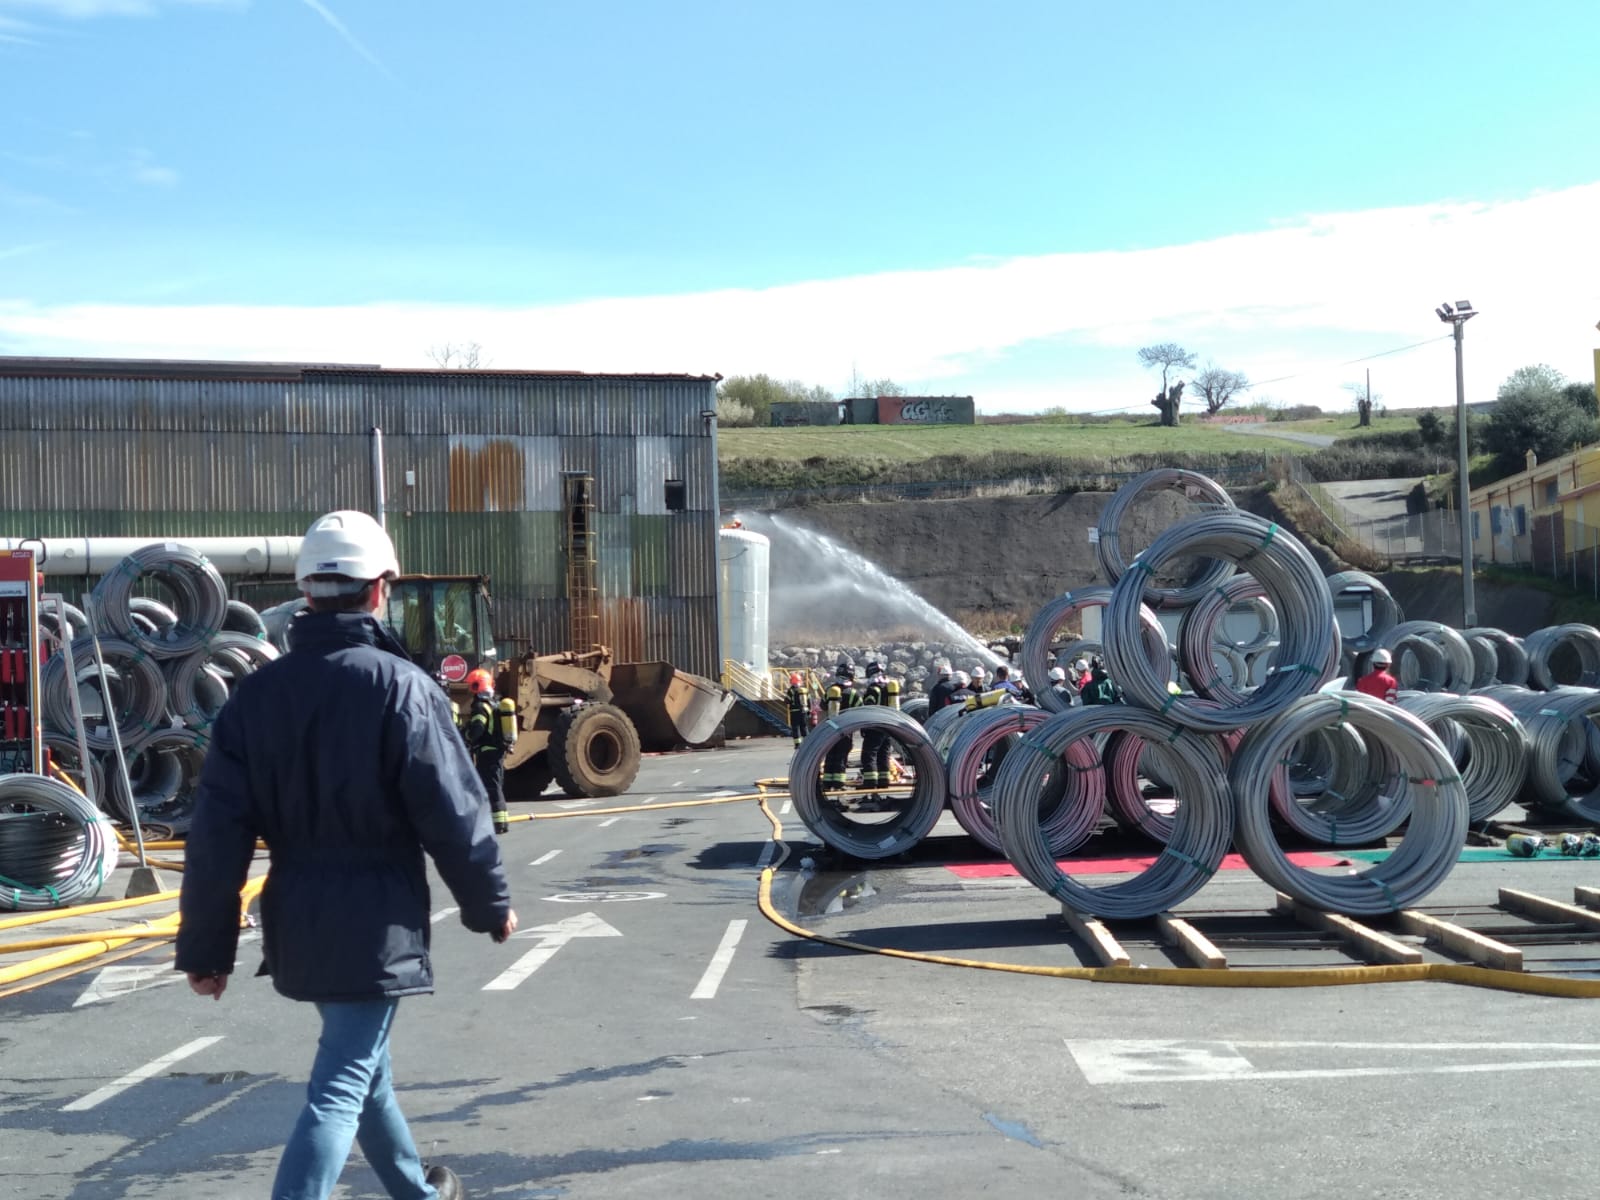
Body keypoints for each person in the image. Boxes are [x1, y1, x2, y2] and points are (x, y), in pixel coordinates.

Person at [176, 510, 515, 1200]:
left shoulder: (255, 698)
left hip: (299, 920)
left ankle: (420, 1193)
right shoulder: (403, 689)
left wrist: (207, 948)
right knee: (339, 1087)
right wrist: (490, 904)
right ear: (380, 588)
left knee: (366, 1072)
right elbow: (454, 812)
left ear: (306, 593)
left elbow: (217, 836)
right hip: (377, 923)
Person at [463, 667, 516, 835]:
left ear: (476, 686)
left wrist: (467, 736)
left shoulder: (480, 707)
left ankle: (499, 824)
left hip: (488, 752)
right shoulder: (494, 703)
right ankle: (498, 822)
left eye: (472, 686)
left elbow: (478, 729)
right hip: (496, 751)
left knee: (491, 787)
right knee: (492, 785)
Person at [858, 660, 901, 797]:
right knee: (884, 755)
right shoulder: (888, 687)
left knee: (869, 755)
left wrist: (864, 727)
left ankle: (870, 785)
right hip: (888, 726)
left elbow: (868, 709)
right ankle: (884, 782)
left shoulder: (873, 689)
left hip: (875, 726)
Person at [820, 661, 862, 790]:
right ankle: (838, 784)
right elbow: (860, 710)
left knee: (830, 755)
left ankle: (827, 783)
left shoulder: (830, 690)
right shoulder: (854, 693)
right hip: (846, 730)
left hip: (830, 730)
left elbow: (822, 705)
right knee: (841, 756)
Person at [784, 671, 812, 749]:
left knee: (795, 728)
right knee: (804, 727)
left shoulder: (791, 690)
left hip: (794, 712)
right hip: (804, 711)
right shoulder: (805, 690)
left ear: (792, 681)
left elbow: (787, 701)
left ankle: (797, 744)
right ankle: (807, 743)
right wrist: (809, 711)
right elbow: (810, 701)